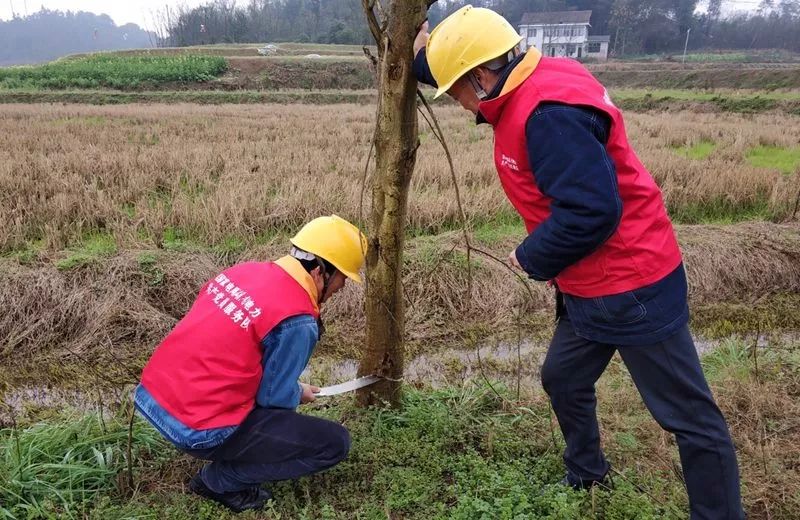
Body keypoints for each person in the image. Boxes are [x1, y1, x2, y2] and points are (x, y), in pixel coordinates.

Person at [413, 6, 744, 519]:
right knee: (563, 378)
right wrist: (419, 52)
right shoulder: (538, 74)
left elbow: (593, 212)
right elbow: (448, 64)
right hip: (589, 285)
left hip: (634, 284)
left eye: (455, 90)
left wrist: (530, 256)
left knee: (688, 417)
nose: (458, 105)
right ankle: (587, 472)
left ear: (481, 77)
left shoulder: (548, 117)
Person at [134, 215, 367, 513]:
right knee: (334, 443)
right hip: (197, 428)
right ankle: (219, 480)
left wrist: (291, 387)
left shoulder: (243, 272)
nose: (342, 288)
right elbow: (273, 400)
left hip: (153, 397)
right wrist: (295, 393)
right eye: (343, 278)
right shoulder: (297, 320)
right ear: (322, 270)